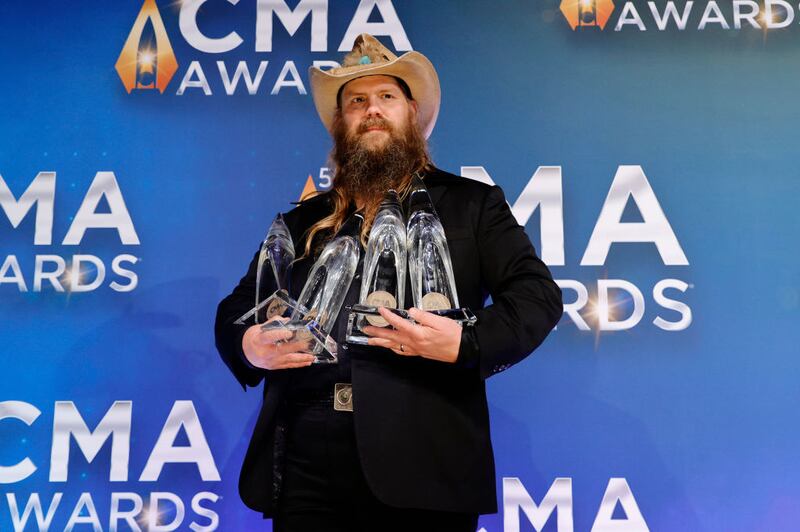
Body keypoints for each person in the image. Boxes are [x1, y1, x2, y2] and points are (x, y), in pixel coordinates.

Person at [215, 33, 563, 531]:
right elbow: (238, 308)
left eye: (386, 97)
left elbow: (538, 297)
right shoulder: (301, 221)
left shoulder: (472, 204)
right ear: (342, 123)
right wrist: (249, 346)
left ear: (412, 114)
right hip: (305, 460)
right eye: (356, 101)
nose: (371, 110)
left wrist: (465, 342)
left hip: (422, 452)